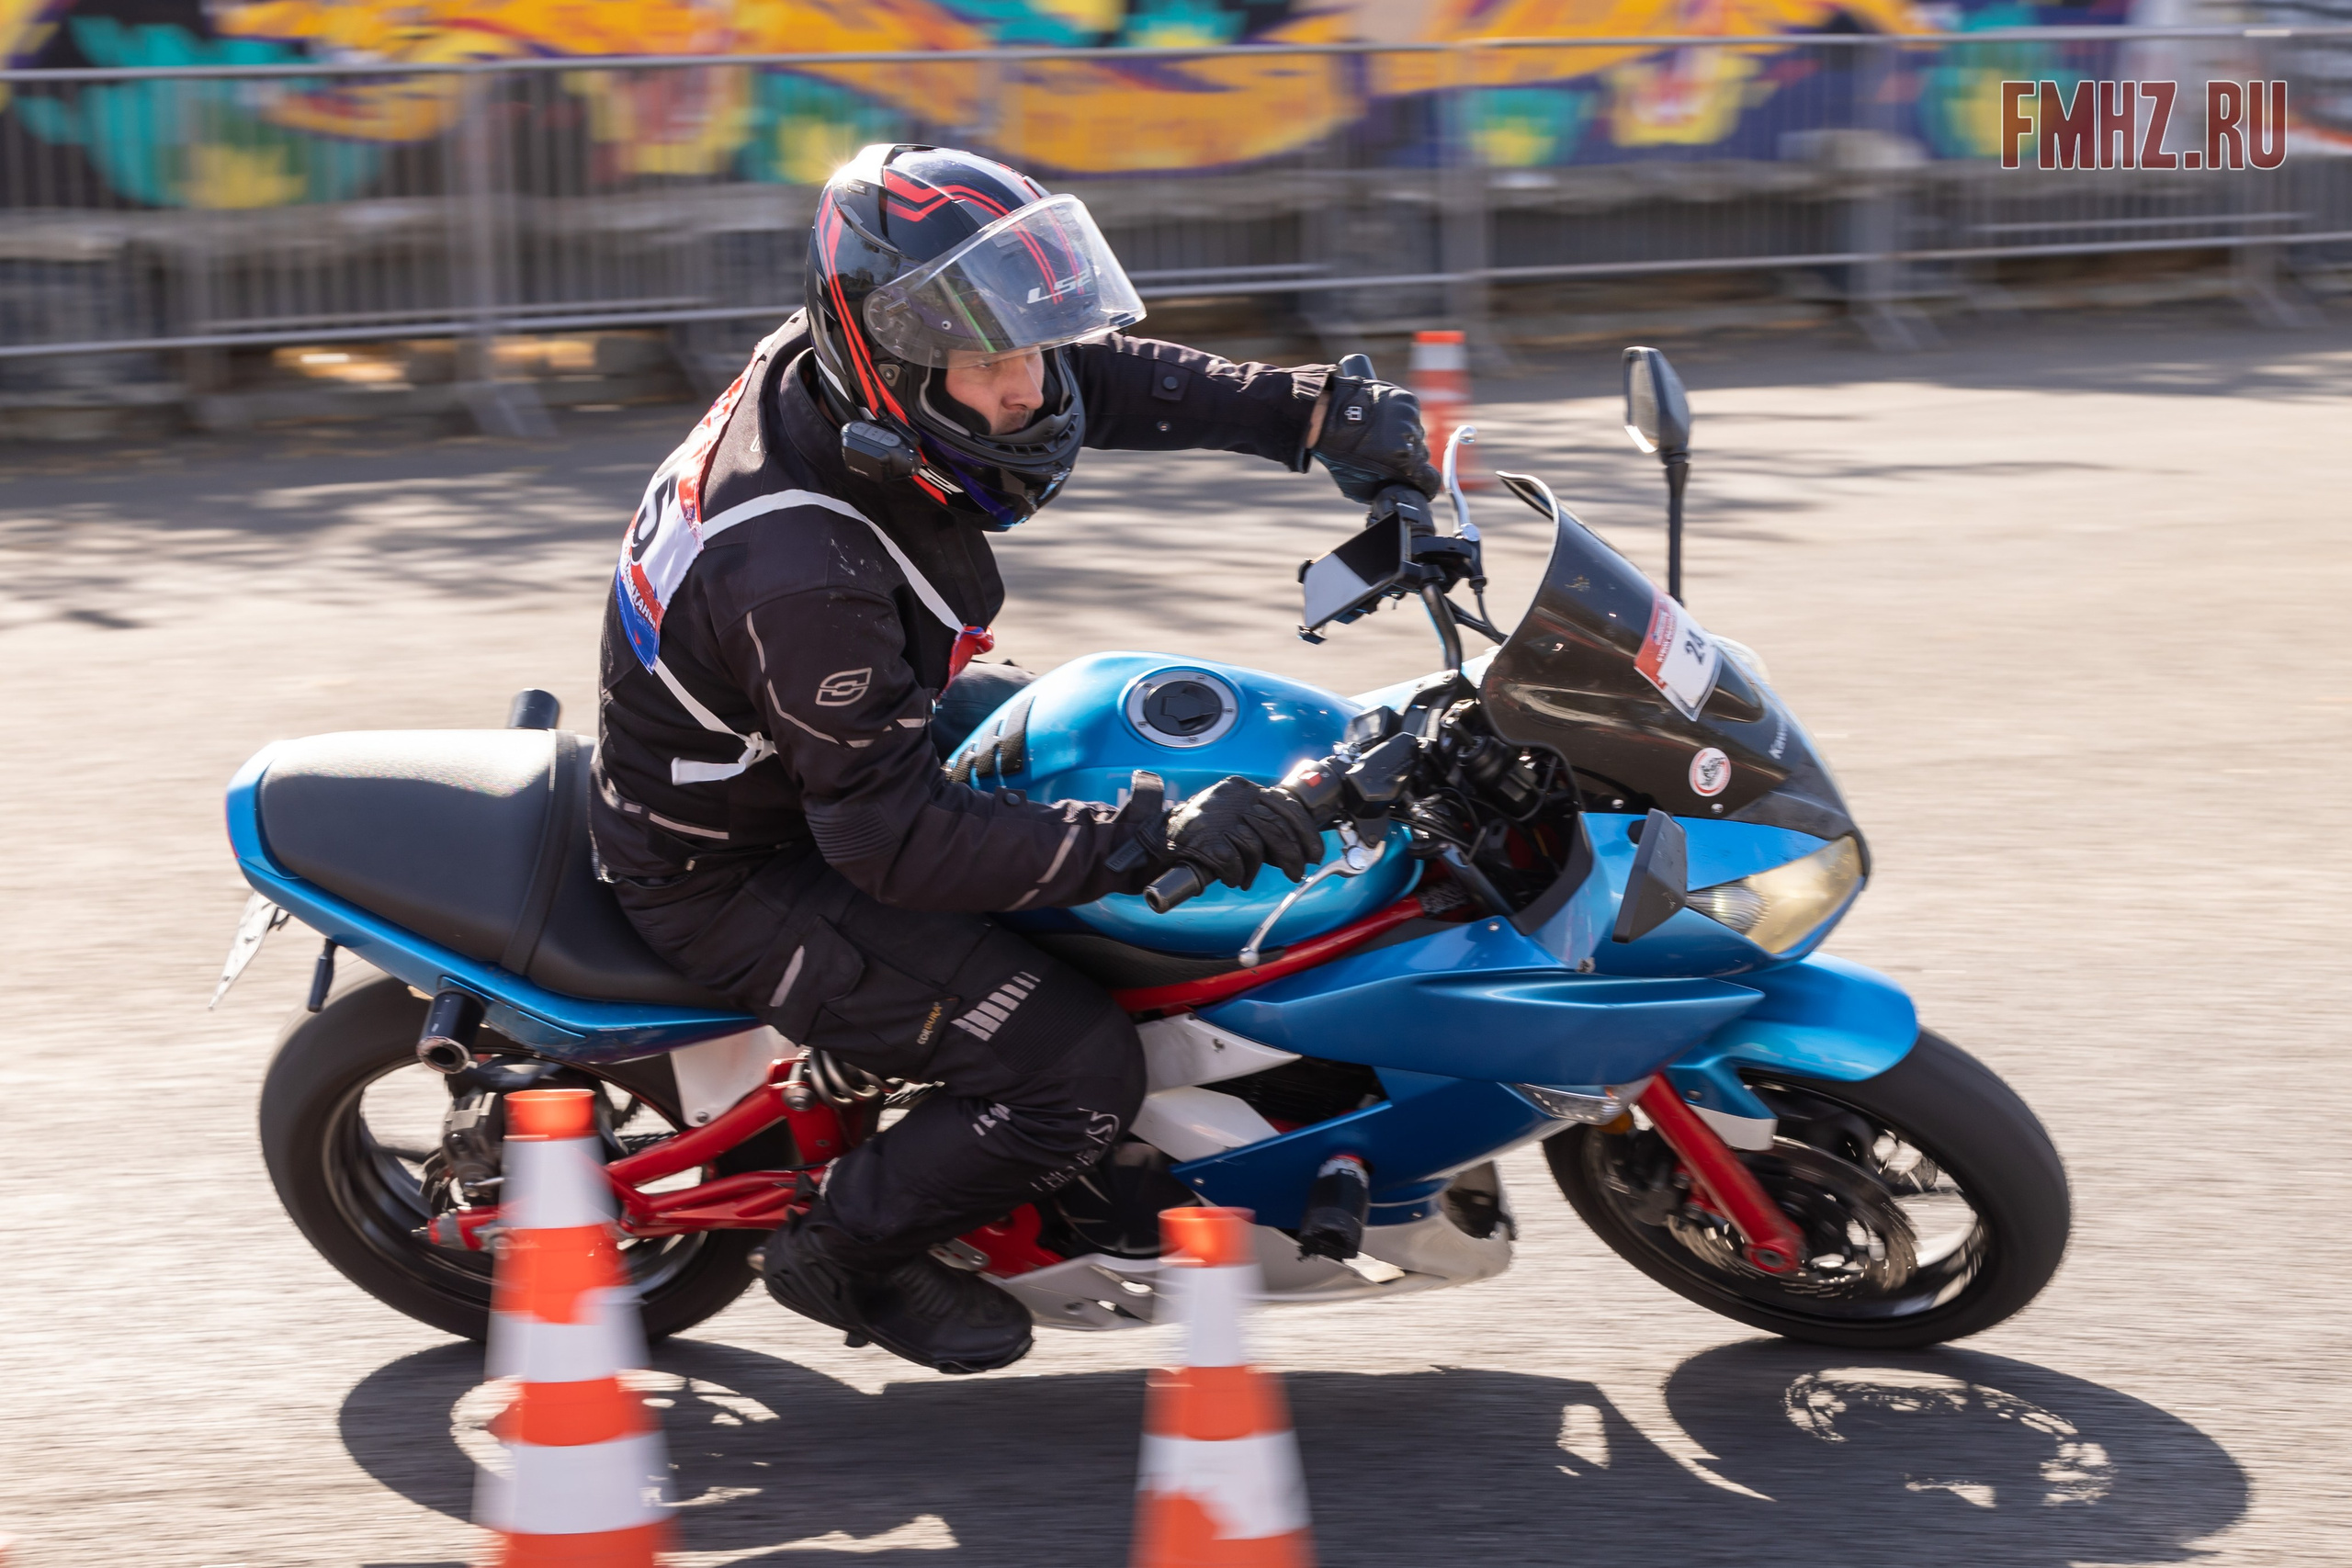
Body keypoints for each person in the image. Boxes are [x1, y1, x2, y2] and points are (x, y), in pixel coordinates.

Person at [590, 142, 1440, 1374]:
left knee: (1103, 732)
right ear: (889, 354)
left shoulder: (862, 371)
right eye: (996, 364)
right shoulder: (799, 566)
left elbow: (1096, 374)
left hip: (823, 746)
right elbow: (889, 839)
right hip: (733, 861)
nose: (1032, 392)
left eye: (1029, 347)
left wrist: (1308, 414)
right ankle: (850, 1251)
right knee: (1072, 1063)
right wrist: (1161, 836)